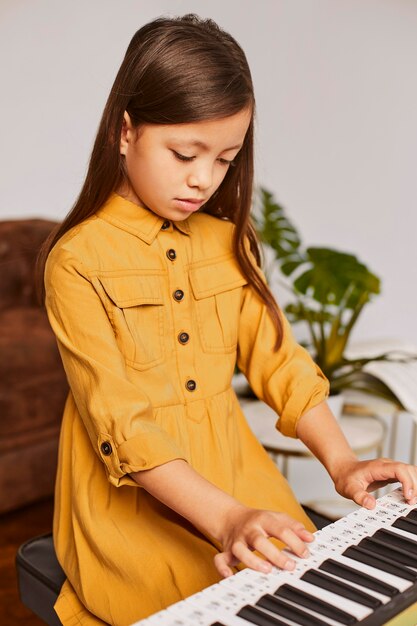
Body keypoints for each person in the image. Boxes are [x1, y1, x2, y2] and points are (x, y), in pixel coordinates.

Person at [38, 14, 417, 626]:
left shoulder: (227, 241)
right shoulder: (76, 260)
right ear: (125, 130)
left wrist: (343, 463)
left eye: (225, 159)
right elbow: (123, 422)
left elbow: (281, 363)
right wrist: (226, 519)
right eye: (185, 153)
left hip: (238, 473)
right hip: (132, 501)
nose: (202, 179)